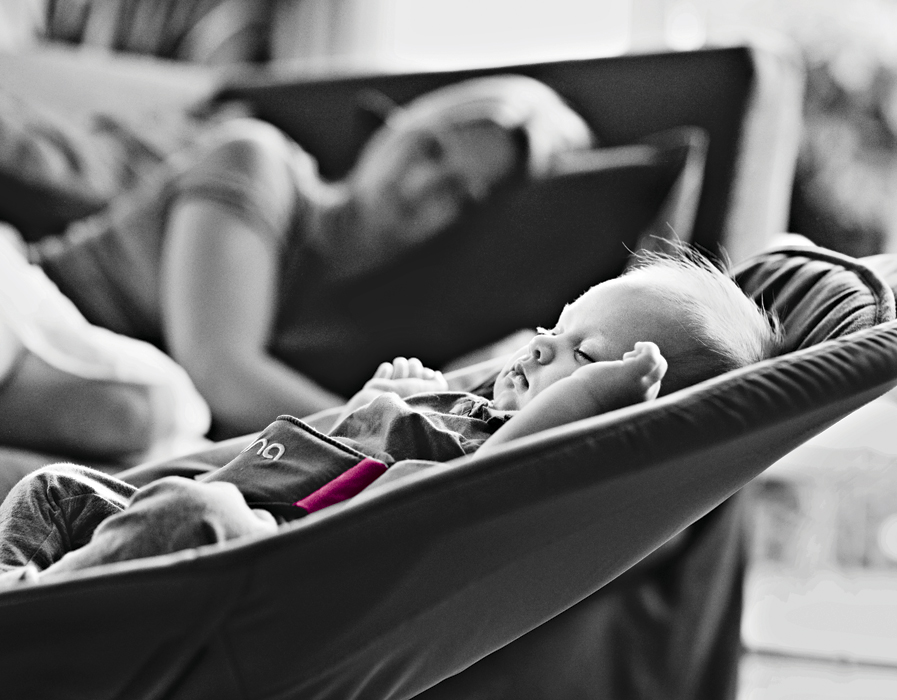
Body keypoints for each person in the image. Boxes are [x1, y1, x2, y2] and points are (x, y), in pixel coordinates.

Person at [0, 249, 783, 582]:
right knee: (58, 490)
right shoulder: (459, 409)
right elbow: (338, 448)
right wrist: (383, 401)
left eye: (583, 352)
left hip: (253, 553)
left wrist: (597, 398)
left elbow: (502, 465)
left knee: (188, 511)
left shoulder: (497, 463)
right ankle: (19, 585)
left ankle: (37, 613)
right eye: (557, 324)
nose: (543, 345)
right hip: (214, 504)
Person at [0, 74, 595, 458]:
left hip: (85, 392)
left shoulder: (368, 320)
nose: (420, 186)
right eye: (430, 148)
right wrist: (386, 426)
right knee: (137, 412)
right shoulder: (258, 161)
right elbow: (219, 369)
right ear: (395, 122)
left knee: (140, 428)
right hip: (24, 304)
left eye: (457, 194)